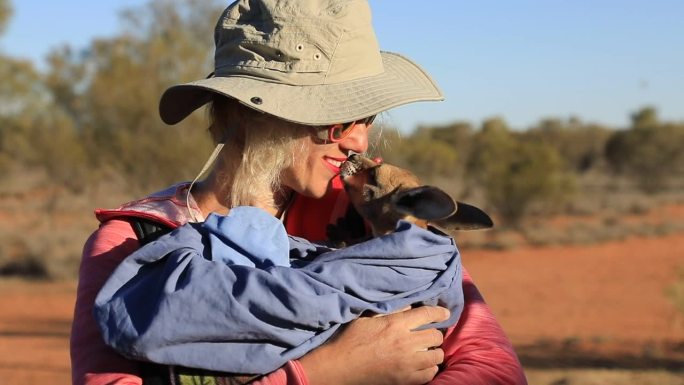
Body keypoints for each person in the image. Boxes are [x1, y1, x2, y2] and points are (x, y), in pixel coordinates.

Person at [70, 0, 528, 384]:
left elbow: (491, 365)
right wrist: (323, 372)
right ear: (247, 114)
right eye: (337, 119)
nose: (358, 142)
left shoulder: (370, 209)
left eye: (366, 119)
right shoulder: (137, 243)